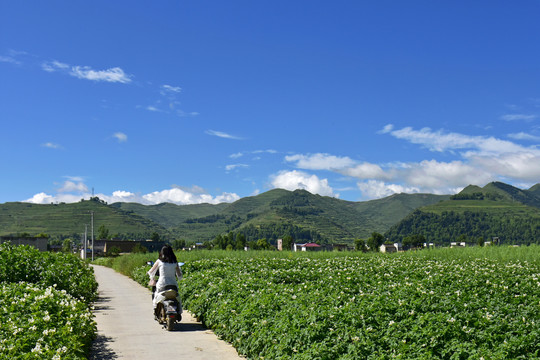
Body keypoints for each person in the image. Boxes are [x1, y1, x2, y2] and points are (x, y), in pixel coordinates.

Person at [147, 245, 183, 313]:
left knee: (156, 295)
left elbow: (151, 271)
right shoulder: (174, 262)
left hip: (162, 284)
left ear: (162, 252)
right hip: (173, 284)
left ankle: (155, 310)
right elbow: (179, 275)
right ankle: (179, 312)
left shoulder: (159, 261)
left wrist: (152, 277)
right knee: (177, 297)